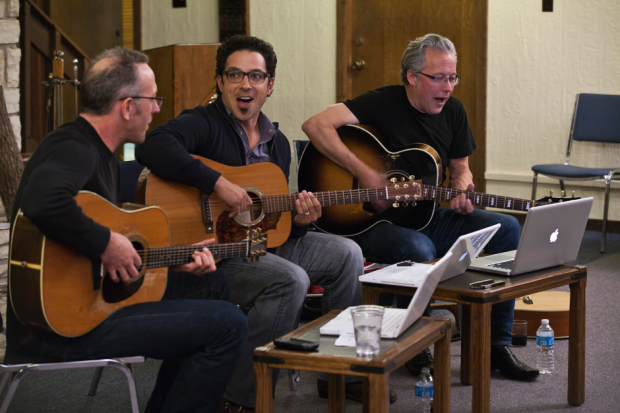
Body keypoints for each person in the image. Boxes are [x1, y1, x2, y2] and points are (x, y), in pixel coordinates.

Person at [7, 47, 248, 413]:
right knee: (228, 324)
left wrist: (169, 262)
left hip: (93, 301)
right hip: (59, 328)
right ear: (127, 106)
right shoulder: (73, 145)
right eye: (153, 100)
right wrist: (106, 243)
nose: (157, 109)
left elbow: (101, 255)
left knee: (214, 285)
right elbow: (42, 200)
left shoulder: (101, 153)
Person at [135, 35, 369, 412]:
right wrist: (217, 183)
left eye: (256, 76)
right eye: (235, 75)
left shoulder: (276, 142)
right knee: (289, 279)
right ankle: (240, 399)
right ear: (220, 82)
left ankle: (340, 376)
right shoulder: (203, 122)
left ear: (269, 85)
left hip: (258, 243)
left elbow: (273, 222)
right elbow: (152, 146)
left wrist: (303, 220)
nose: (246, 84)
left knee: (347, 254)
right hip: (218, 253)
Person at [302, 33, 539, 381]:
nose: (448, 87)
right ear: (412, 77)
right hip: (370, 223)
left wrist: (460, 189)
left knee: (507, 229)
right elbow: (315, 125)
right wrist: (365, 173)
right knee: (418, 247)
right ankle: (416, 342)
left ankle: (494, 346)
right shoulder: (384, 102)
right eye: (439, 78)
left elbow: (460, 168)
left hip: (427, 215)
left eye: (452, 78)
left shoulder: (454, 112)